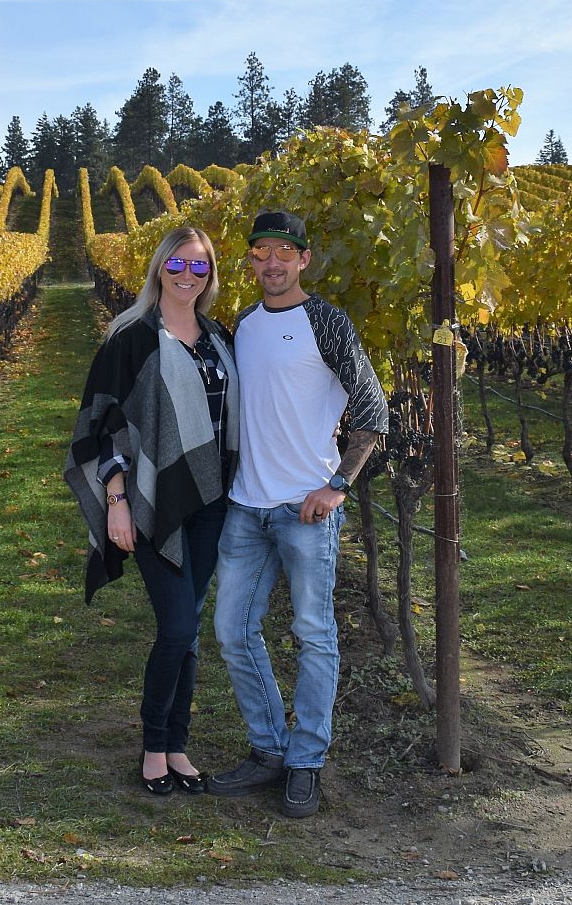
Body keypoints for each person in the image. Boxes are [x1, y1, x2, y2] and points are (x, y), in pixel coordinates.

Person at [206, 211, 388, 818]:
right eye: (262, 252)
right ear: (251, 261)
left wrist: (337, 486)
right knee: (233, 631)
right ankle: (269, 750)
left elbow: (372, 407)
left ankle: (306, 762)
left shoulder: (327, 322)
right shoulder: (246, 325)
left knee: (314, 635)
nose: (273, 262)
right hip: (246, 507)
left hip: (305, 510)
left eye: (285, 251)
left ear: (304, 260)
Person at [65, 226, 240, 796]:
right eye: (178, 265)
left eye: (200, 268)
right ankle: (152, 746)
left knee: (187, 632)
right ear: (159, 267)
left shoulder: (217, 338)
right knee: (178, 626)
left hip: (210, 502)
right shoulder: (131, 337)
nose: (188, 276)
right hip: (150, 501)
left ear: (209, 276)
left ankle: (177, 746)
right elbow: (101, 423)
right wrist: (116, 501)